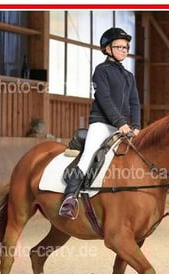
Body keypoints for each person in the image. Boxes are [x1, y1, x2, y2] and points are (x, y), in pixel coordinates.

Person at [59, 27, 141, 219]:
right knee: (89, 155)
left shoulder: (129, 76)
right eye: (119, 47)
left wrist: (136, 126)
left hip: (124, 127)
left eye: (126, 47)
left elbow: (135, 103)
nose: (123, 50)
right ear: (107, 49)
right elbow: (104, 99)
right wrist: (120, 122)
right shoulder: (101, 71)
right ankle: (70, 198)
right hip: (102, 124)